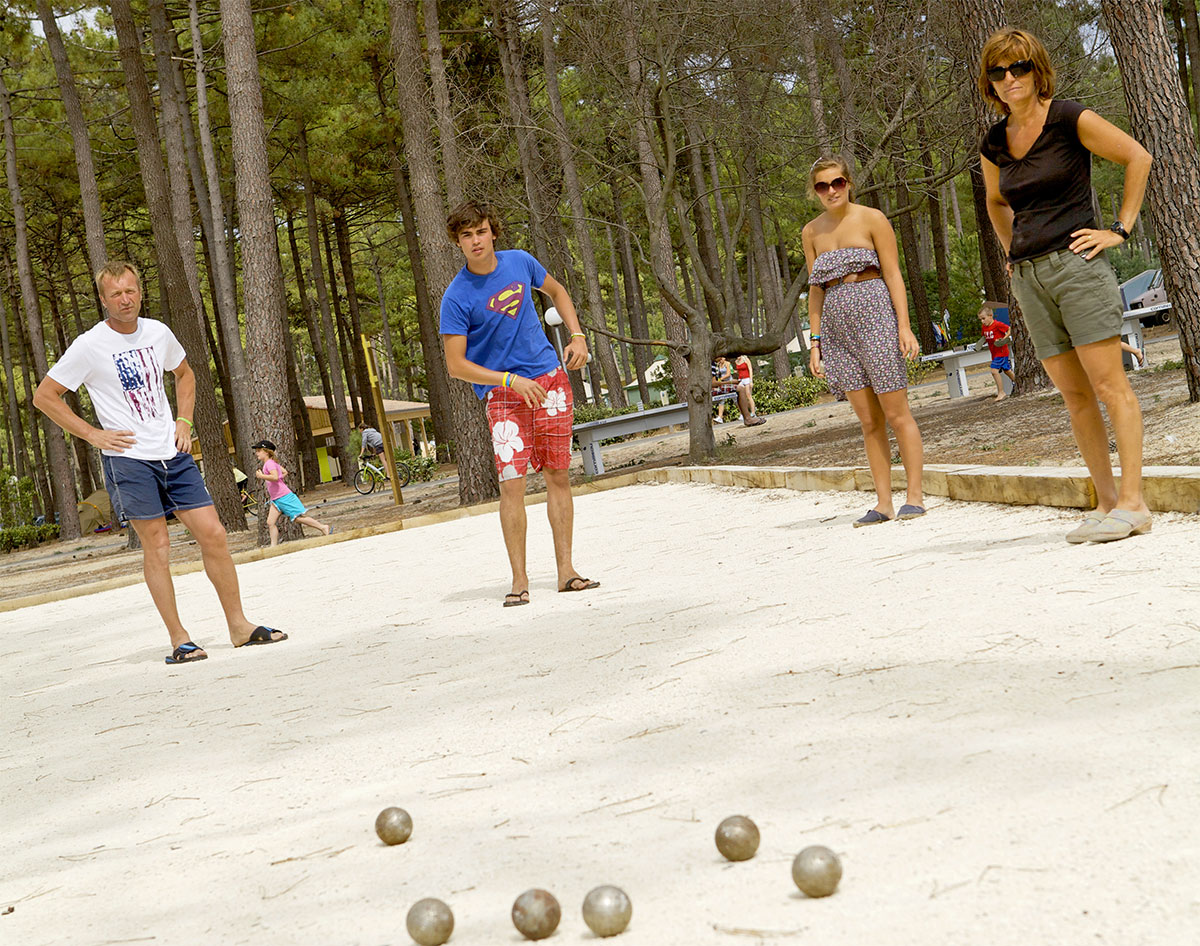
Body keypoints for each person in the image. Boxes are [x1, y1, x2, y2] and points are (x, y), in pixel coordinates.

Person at [33, 261, 287, 664]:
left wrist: (184, 421)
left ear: (139, 291)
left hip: (173, 453)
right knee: (158, 544)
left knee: (214, 534)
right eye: (115, 293)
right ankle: (179, 639)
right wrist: (94, 435)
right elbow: (45, 395)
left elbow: (185, 374)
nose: (125, 299)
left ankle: (238, 626)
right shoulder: (89, 345)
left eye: (130, 290)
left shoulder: (158, 332)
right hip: (128, 459)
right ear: (103, 299)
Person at [979, 27, 1153, 543]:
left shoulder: (1068, 117)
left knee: (1108, 386)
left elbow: (1137, 157)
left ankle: (1135, 503)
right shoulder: (994, 139)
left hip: (1078, 267)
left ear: (1037, 71)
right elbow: (995, 201)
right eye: (998, 71)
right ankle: (1104, 504)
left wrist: (1119, 229)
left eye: (1019, 69)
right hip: (1029, 277)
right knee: (1075, 396)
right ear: (990, 80)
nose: (1010, 79)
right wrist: (1011, 251)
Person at [439, 199, 599, 607]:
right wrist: (508, 380)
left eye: (480, 231)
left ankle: (566, 572)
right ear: (458, 243)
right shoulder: (456, 297)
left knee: (559, 476)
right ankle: (519, 580)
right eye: (466, 235)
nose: (475, 241)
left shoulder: (520, 262)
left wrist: (578, 336)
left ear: (493, 231)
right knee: (512, 486)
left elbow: (557, 291)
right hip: (504, 396)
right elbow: (456, 365)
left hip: (549, 380)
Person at [802, 156, 926, 527]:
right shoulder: (811, 232)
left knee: (895, 412)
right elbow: (816, 292)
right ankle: (883, 503)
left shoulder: (872, 218)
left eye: (837, 182)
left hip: (876, 318)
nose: (831, 191)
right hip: (838, 331)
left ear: (849, 182)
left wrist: (904, 326)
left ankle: (915, 497)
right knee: (869, 421)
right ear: (815, 191)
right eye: (822, 186)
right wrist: (815, 343)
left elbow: (893, 274)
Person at [252, 439, 332, 545]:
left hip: (284, 496)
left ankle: (323, 527)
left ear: (266, 452)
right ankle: (273, 547)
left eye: (258, 450)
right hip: (276, 499)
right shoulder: (271, 463)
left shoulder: (269, 464)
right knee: (270, 522)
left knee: (298, 518)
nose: (256, 453)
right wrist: (278, 479)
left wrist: (262, 476)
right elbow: (284, 472)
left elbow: (275, 477)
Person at [978, 305, 1016, 400]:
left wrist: (1004, 338)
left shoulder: (997, 324)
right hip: (994, 353)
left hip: (1001, 352)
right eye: (980, 319)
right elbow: (985, 337)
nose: (982, 321)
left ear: (990, 316)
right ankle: (1019, 382)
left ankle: (1001, 392)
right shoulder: (984, 327)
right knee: (1007, 371)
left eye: (983, 318)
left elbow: (1009, 329)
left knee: (994, 371)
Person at [733, 355, 766, 427]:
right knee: (741, 397)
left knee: (748, 395)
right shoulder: (736, 362)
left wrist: (751, 381)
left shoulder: (745, 359)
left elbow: (750, 369)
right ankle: (744, 413)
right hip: (741, 379)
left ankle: (753, 412)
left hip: (747, 378)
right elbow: (739, 371)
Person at [712, 355, 735, 423]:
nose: (721, 359)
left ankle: (743, 413)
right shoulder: (718, 365)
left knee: (735, 398)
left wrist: (720, 379)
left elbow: (728, 374)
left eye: (722, 358)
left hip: (729, 382)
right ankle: (720, 417)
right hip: (722, 383)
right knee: (722, 399)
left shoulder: (727, 363)